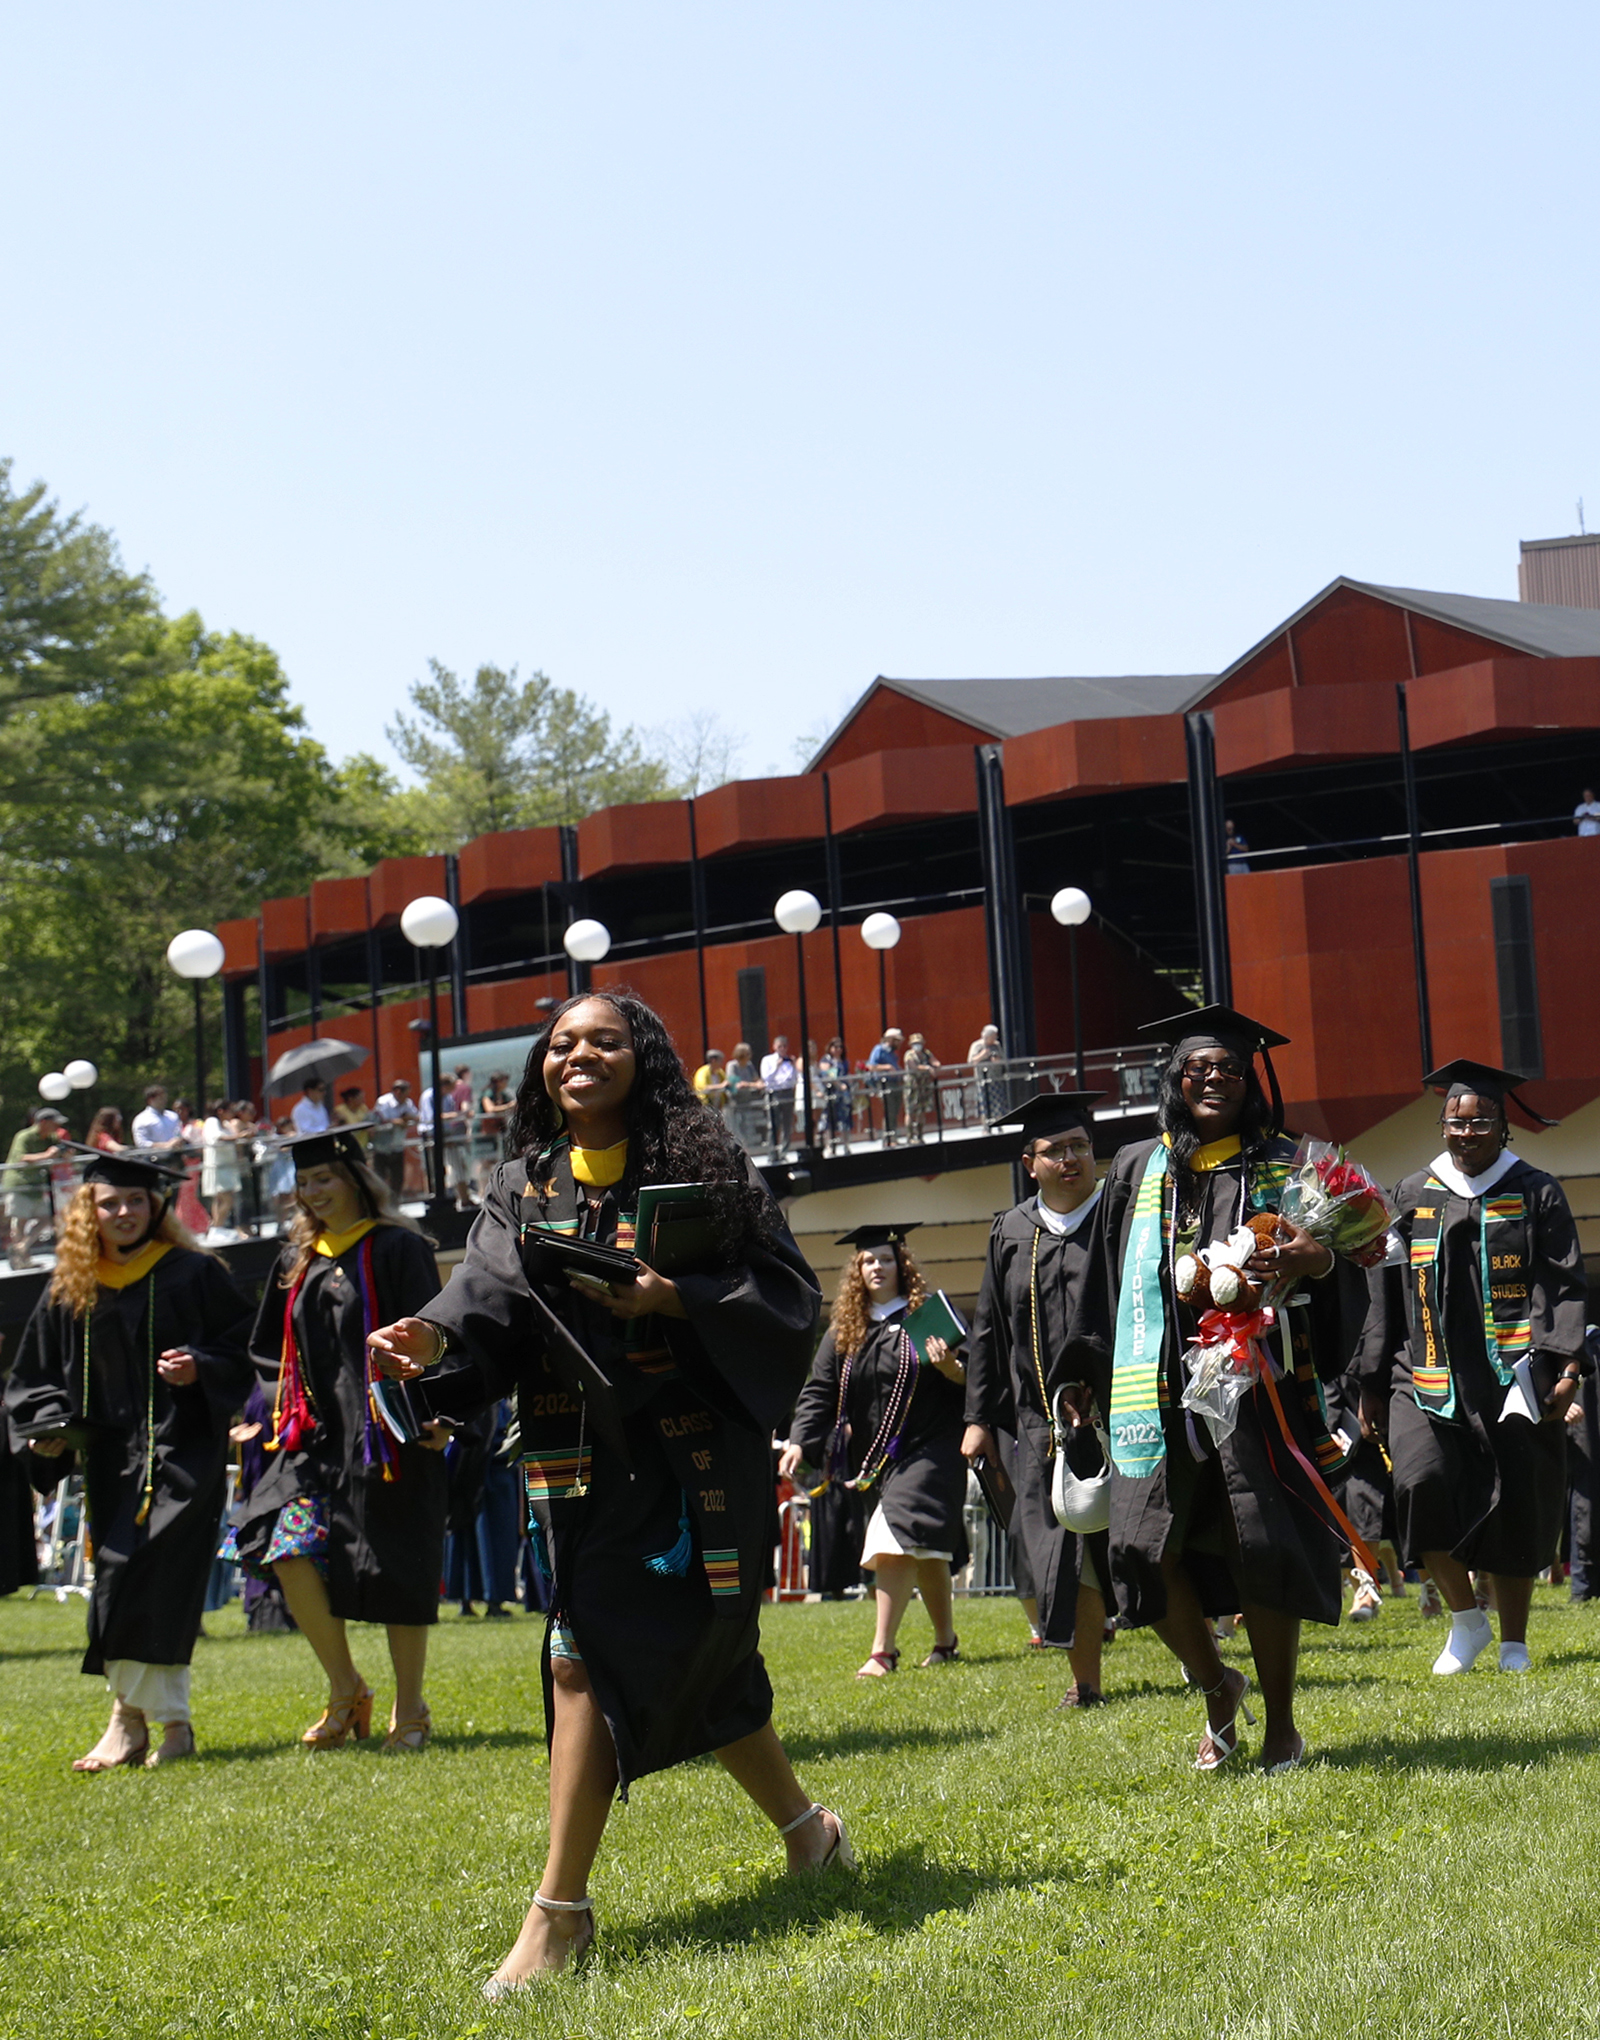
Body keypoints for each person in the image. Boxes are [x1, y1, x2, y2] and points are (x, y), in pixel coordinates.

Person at [366, 990, 845, 1991]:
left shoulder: (704, 1169)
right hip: (574, 1458)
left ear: (643, 1058)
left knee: (588, 1654)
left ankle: (560, 1914)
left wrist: (677, 1298)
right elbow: (485, 1298)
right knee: (683, 1664)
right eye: (561, 1044)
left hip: (686, 1463)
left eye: (604, 1041)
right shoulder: (524, 1184)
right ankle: (810, 1834)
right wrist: (434, 1340)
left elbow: (788, 1299)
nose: (578, 1055)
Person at [1094, 1006, 1366, 1774]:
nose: (1215, 1079)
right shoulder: (1137, 1168)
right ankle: (1218, 1685)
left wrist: (1317, 1262)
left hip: (1257, 1387)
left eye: (1230, 1069)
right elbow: (1105, 1283)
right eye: (1199, 1068)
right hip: (1154, 1387)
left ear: (1251, 1081)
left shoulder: (1290, 1164)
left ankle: (1280, 1724)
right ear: (1175, 1079)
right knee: (1137, 1549)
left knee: (1262, 1546)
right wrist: (1086, 1376)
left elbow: (1347, 1269)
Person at [6, 1150, 254, 1768]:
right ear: (87, 1212)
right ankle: (157, 1724)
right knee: (118, 1574)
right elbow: (34, 1378)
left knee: (161, 1574)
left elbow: (243, 1349)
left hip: (183, 1450)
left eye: (136, 1201)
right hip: (111, 1459)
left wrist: (201, 1366)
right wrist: (48, 1430)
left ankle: (138, 1722)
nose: (123, 1212)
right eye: (109, 1203)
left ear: (156, 1206)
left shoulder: (193, 1273)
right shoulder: (72, 1285)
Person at [1361, 1059, 1588, 1675]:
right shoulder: (1413, 1193)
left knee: (1517, 1498)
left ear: (1502, 1125)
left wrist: (1567, 1368)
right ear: (1442, 1125)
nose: (1466, 1133)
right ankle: (1466, 1622)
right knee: (1418, 1483)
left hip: (1513, 1374)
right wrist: (1372, 1381)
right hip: (1425, 1371)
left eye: (1480, 1121)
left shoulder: (1536, 1191)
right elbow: (1384, 1292)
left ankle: (1514, 1642)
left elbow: (1562, 1285)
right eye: (1455, 1122)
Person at [231, 1126, 447, 1752]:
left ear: (355, 1178)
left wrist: (439, 1414)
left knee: (397, 1563)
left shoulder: (398, 1248)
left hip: (388, 1432)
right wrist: (274, 1404)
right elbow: (268, 1350)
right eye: (304, 1182)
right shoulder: (297, 1260)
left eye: (324, 1177)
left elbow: (436, 1334)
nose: (313, 1191)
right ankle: (346, 1687)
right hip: (314, 1437)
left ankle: (411, 1709)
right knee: (285, 1543)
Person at [961, 1092, 1113, 1706]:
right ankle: (1086, 1682)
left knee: (1145, 1541)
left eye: (1080, 1146)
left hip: (1126, 1407)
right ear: (1031, 1163)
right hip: (1042, 1421)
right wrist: (978, 1418)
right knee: (1064, 1549)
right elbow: (989, 1331)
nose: (1071, 1159)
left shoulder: (1120, 1214)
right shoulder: (1012, 1230)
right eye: (1056, 1150)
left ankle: (1198, 1652)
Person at [784, 1224, 968, 1677]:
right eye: (868, 1260)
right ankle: (946, 1642)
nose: (877, 1267)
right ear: (857, 1269)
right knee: (922, 1550)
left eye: (886, 1259)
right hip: (878, 1461)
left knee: (891, 1538)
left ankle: (883, 1651)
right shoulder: (847, 1330)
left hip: (933, 1449)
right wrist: (799, 1441)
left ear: (901, 1265)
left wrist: (952, 1369)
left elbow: (976, 1377)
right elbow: (819, 1391)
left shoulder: (927, 1317)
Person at [4, 1106, 69, 1269]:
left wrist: (63, 1151)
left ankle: (22, 1246)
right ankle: (22, 1261)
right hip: (20, 1185)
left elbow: (62, 1149)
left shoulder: (51, 1137)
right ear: (43, 1122)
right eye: (55, 1123)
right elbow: (21, 1158)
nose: (58, 1126)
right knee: (20, 1222)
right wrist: (47, 1155)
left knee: (47, 1218)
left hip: (37, 1186)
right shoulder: (24, 1136)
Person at [372, 1078, 419, 1201]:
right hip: (382, 1147)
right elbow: (383, 1119)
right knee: (380, 1178)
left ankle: (395, 1204)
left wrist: (407, 1119)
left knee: (398, 1179)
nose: (407, 1097)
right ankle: (381, 1203)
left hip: (398, 1145)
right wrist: (400, 1121)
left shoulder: (407, 1103)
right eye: (405, 1094)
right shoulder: (383, 1102)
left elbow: (416, 1116)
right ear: (398, 1091)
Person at [200, 1102, 243, 1237]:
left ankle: (216, 1228)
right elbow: (219, 1138)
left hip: (228, 1166)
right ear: (221, 1111)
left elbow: (235, 1135)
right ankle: (216, 1228)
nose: (232, 1113)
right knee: (227, 1199)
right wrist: (239, 1136)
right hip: (218, 1166)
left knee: (219, 1200)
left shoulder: (226, 1124)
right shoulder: (212, 1122)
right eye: (230, 1110)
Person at [761, 1035, 798, 1155]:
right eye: (779, 1046)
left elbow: (794, 1079)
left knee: (787, 1124)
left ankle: (784, 1151)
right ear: (774, 1047)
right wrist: (776, 1067)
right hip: (774, 1093)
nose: (782, 1049)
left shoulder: (789, 1061)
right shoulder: (767, 1060)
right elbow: (766, 1078)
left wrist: (794, 1067)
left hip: (787, 1092)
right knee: (773, 1124)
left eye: (784, 1046)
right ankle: (773, 1152)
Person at [726, 1043, 766, 1152]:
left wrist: (757, 1083)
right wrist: (753, 1085)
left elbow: (756, 1079)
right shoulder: (732, 1066)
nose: (750, 1055)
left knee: (747, 1125)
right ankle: (739, 1148)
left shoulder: (749, 1065)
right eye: (747, 1053)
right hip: (736, 1101)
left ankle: (749, 1148)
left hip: (747, 1100)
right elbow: (736, 1083)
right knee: (737, 1126)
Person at [867, 1027, 905, 1144]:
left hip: (895, 1083)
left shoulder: (892, 1053)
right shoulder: (879, 1049)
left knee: (895, 1111)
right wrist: (887, 1067)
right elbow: (871, 1066)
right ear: (890, 1040)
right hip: (885, 1084)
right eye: (897, 1041)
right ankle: (887, 1139)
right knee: (889, 1111)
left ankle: (893, 1137)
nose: (899, 1044)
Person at [902, 1033, 938, 1143]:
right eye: (915, 1043)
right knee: (910, 1111)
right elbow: (913, 1066)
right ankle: (910, 1137)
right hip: (912, 1086)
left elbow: (934, 1061)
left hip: (924, 1086)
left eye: (919, 1043)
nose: (918, 1045)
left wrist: (936, 1065)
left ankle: (920, 1135)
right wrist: (927, 1068)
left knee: (922, 1111)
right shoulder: (909, 1055)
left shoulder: (926, 1053)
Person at [819, 1037, 852, 1152]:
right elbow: (829, 1075)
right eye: (835, 1047)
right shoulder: (826, 1060)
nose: (838, 1049)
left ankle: (846, 1145)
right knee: (829, 1120)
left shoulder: (843, 1061)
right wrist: (839, 1085)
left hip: (844, 1095)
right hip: (832, 1093)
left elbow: (846, 1074)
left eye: (840, 1047)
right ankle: (829, 1146)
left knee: (845, 1119)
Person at [968, 1023, 1004, 1123]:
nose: (995, 1038)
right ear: (987, 1036)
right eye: (993, 1036)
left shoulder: (996, 1045)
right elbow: (970, 1062)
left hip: (996, 1078)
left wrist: (997, 1060)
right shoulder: (976, 1045)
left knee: (998, 1102)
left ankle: (999, 1123)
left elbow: (1002, 1058)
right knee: (984, 1103)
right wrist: (982, 1055)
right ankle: (985, 1125)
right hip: (982, 1080)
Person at [131, 1085, 181, 1150]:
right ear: (150, 1100)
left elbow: (179, 1134)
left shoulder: (173, 1116)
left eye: (165, 1097)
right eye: (161, 1098)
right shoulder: (141, 1119)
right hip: (153, 1156)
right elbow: (141, 1143)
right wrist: (166, 1145)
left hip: (176, 1154)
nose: (164, 1100)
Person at [693, 1049, 730, 1118]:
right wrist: (721, 1086)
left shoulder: (720, 1072)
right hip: (706, 1106)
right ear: (713, 1060)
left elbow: (726, 1081)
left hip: (718, 1106)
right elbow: (703, 1087)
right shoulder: (702, 1072)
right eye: (720, 1061)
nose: (722, 1063)